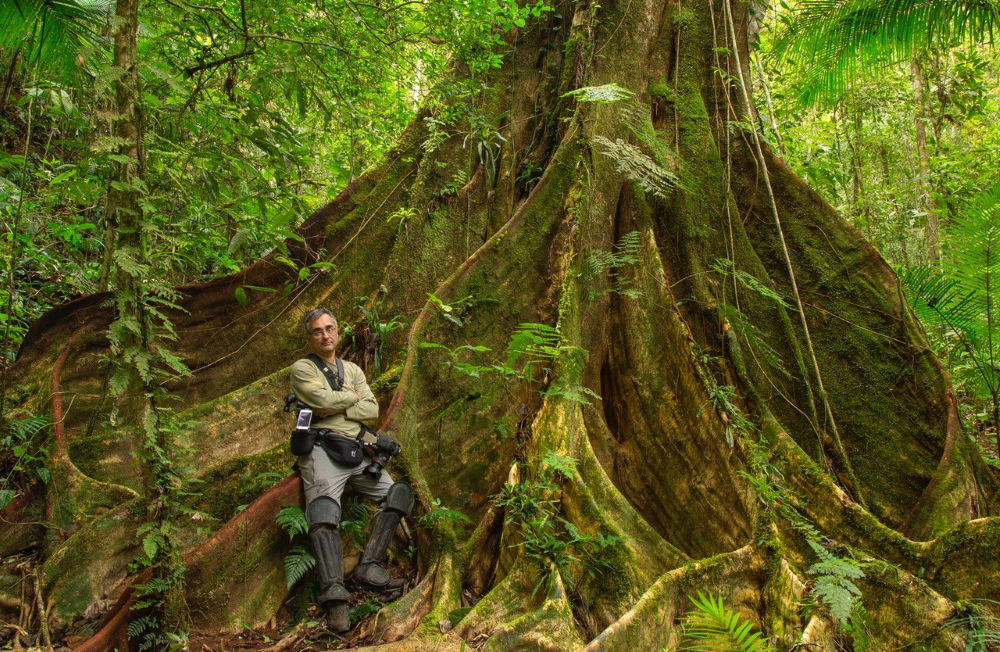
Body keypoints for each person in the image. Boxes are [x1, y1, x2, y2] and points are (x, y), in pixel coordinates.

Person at [290, 308, 413, 632]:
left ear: (338, 331)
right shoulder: (303, 369)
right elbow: (319, 398)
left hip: (358, 448)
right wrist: (349, 400)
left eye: (330, 328)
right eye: (318, 331)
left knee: (397, 495)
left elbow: (370, 408)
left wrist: (333, 402)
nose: (325, 335)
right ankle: (334, 599)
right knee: (324, 513)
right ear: (309, 336)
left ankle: (369, 566)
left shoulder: (353, 369)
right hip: (320, 448)